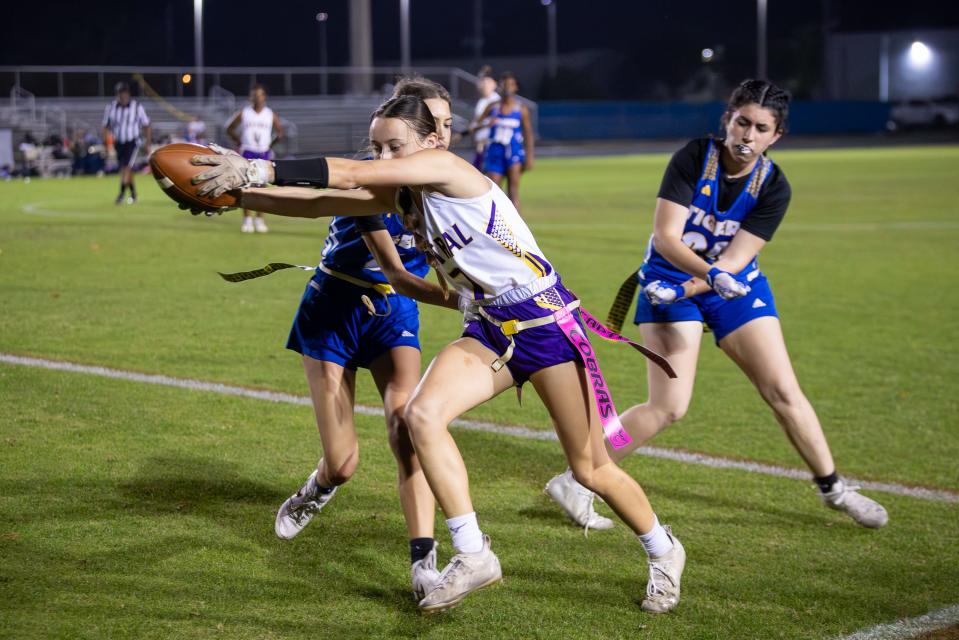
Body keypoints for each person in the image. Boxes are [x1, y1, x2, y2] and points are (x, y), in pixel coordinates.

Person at [187, 94, 687, 616]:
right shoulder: (399, 195)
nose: (382, 158)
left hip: (544, 323)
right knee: (420, 414)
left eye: (393, 146)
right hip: (492, 327)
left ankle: (663, 549)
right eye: (377, 146)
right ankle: (473, 553)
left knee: (589, 469)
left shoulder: (444, 167)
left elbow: (345, 172)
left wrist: (256, 166)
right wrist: (238, 198)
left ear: (427, 142)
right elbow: (318, 202)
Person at [544, 79, 889, 531]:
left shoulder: (774, 186)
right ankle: (577, 476)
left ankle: (834, 489)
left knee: (783, 390)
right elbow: (668, 239)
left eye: (760, 128)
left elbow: (733, 262)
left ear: (776, 136)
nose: (748, 135)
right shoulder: (693, 158)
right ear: (727, 120)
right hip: (668, 278)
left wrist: (706, 280)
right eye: (742, 122)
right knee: (669, 406)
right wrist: (693, 283)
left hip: (731, 285)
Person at [195, 78, 458, 601]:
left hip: (392, 313)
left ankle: (423, 560)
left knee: (408, 431)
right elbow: (318, 205)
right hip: (335, 306)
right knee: (344, 463)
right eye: (436, 125)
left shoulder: (447, 183)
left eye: (449, 125)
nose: (444, 136)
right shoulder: (375, 183)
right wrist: (239, 195)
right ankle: (319, 487)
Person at [226, 84, 284, 233]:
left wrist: (270, 145)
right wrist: (239, 142)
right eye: (254, 95)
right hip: (248, 151)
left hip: (263, 152)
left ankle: (260, 219)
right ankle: (247, 220)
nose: (257, 98)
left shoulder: (269, 114)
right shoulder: (244, 113)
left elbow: (280, 132)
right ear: (250, 97)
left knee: (262, 188)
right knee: (246, 187)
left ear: (264, 96)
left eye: (259, 95)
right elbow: (229, 128)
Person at [476, 72, 534, 211]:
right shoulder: (492, 107)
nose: (507, 88)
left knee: (513, 193)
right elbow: (475, 125)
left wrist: (529, 157)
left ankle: (516, 230)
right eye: (504, 84)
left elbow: (528, 134)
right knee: (493, 194)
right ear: (499, 87)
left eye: (510, 85)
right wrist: (487, 123)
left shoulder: (521, 109)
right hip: (495, 152)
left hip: (513, 151)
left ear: (516, 88)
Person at [101, 82, 151, 205]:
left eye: (124, 92)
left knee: (126, 168)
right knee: (125, 169)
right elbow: (105, 126)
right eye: (120, 93)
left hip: (132, 141)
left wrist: (147, 143)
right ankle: (133, 194)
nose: (122, 95)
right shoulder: (111, 107)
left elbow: (146, 125)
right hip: (119, 142)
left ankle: (121, 195)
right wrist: (107, 144)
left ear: (128, 93)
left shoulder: (137, 106)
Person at [469, 66, 500, 169]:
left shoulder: (496, 100)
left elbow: (493, 122)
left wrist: (476, 126)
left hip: (491, 143)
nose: (484, 85)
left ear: (494, 84)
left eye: (488, 83)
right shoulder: (482, 101)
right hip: (481, 141)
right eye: (483, 83)